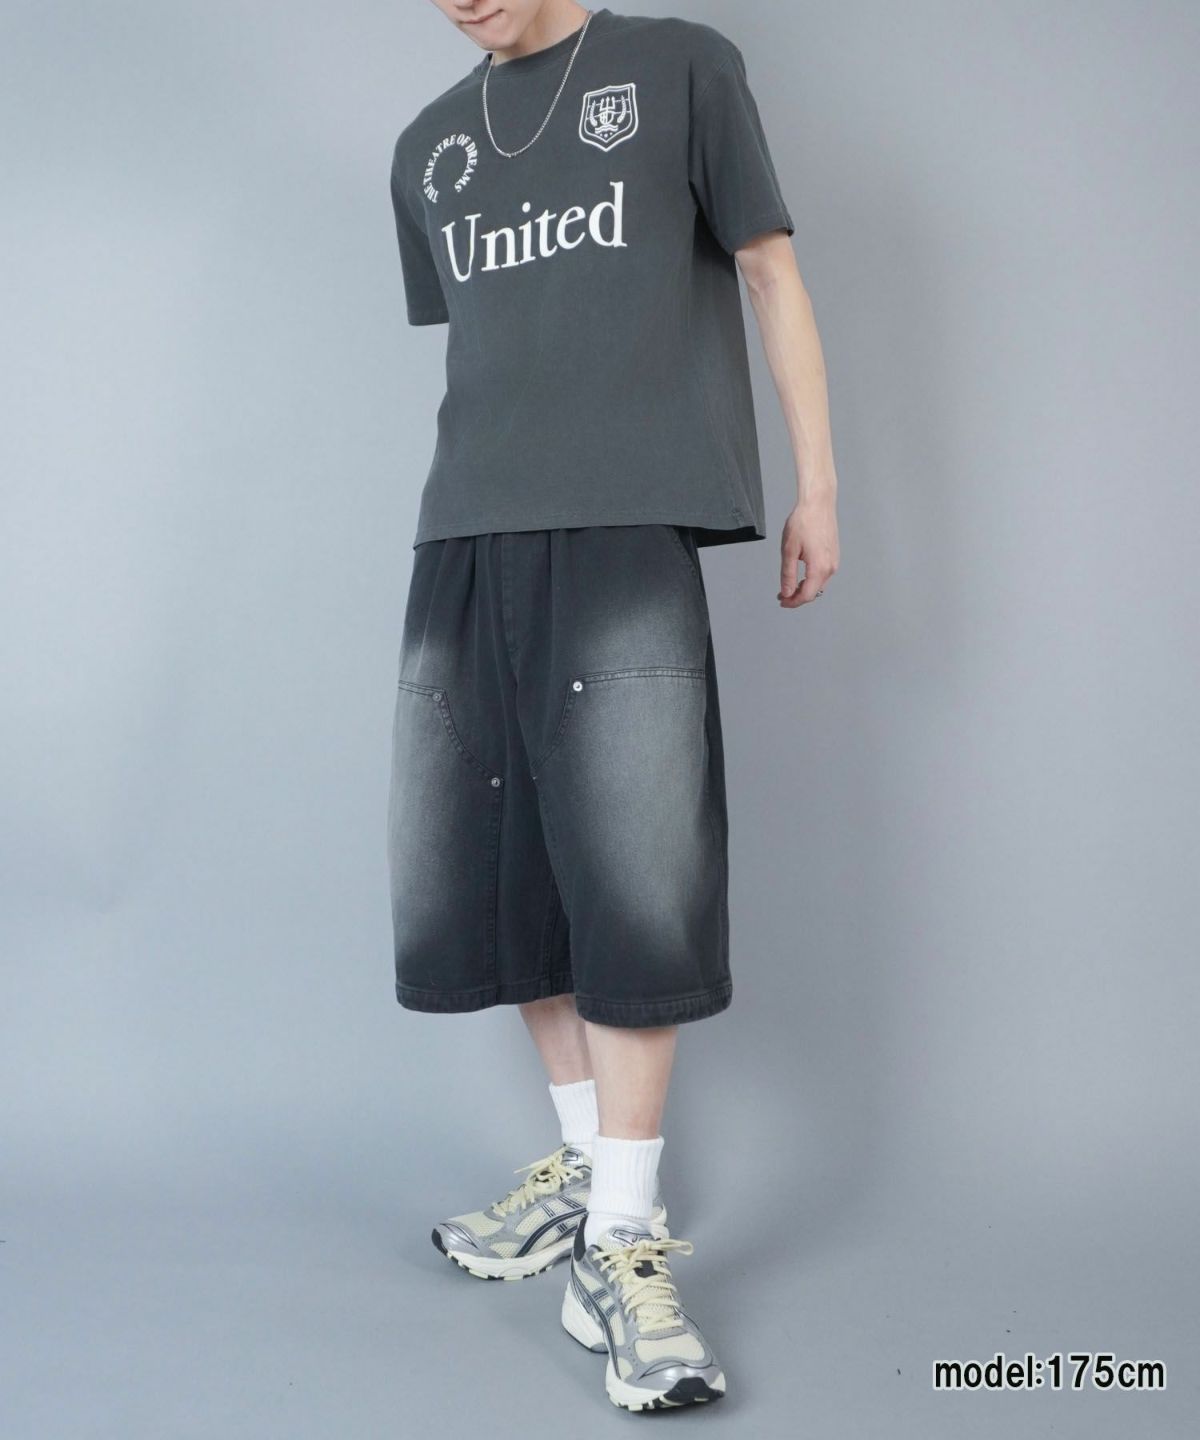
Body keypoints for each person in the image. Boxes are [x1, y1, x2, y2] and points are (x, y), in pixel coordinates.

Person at [386, 0, 839, 1412]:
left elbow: (767, 268)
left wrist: (818, 485)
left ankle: (625, 1244)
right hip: (466, 532)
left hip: (623, 526)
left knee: (637, 868)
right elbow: (498, 348)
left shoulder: (682, 68)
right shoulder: (428, 147)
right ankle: (588, 1177)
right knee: (509, 869)